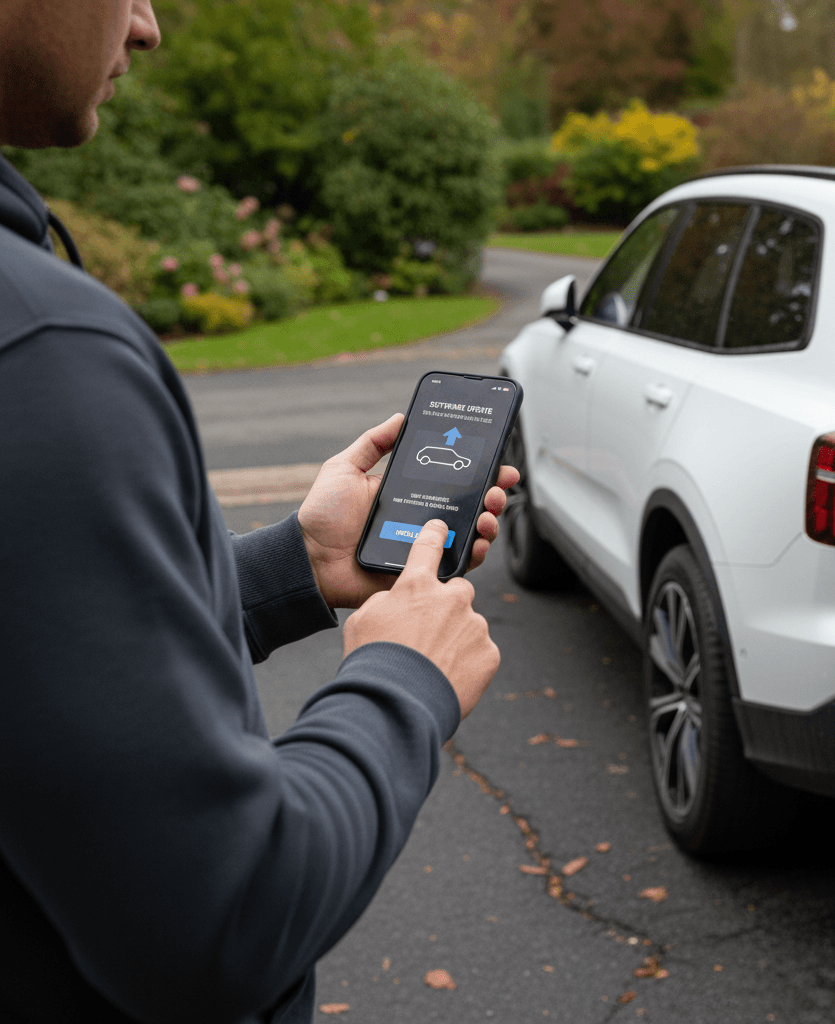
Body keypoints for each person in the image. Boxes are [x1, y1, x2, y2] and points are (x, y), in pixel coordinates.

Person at [0, 2, 517, 1021]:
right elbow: (218, 919)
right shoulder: (42, 352)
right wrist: (403, 680)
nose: (145, 27)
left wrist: (293, 566)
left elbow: (35, 647)